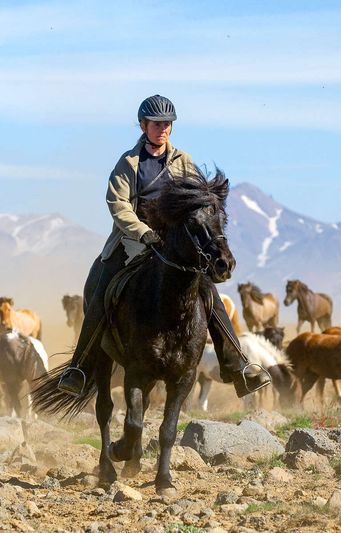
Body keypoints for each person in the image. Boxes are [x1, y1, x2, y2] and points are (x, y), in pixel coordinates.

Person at [57, 95, 271, 398]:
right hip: (132, 240)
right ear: (143, 125)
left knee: (208, 292)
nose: (163, 129)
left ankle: (237, 365)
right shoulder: (128, 163)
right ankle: (78, 368)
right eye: (157, 124)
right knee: (101, 291)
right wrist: (143, 232)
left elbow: (196, 203)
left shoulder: (183, 161)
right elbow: (118, 205)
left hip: (172, 242)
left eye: (167, 124)